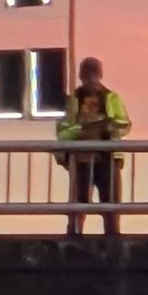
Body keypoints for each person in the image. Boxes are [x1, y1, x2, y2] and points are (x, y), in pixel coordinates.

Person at [58, 56, 131, 236]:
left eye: (93, 73)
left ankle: (112, 238)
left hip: (108, 157)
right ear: (81, 76)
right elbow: (63, 132)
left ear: (100, 74)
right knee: (78, 204)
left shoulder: (111, 98)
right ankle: (74, 237)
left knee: (111, 204)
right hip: (82, 158)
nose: (90, 78)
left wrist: (108, 125)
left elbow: (125, 125)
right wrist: (82, 129)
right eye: (87, 74)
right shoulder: (74, 100)